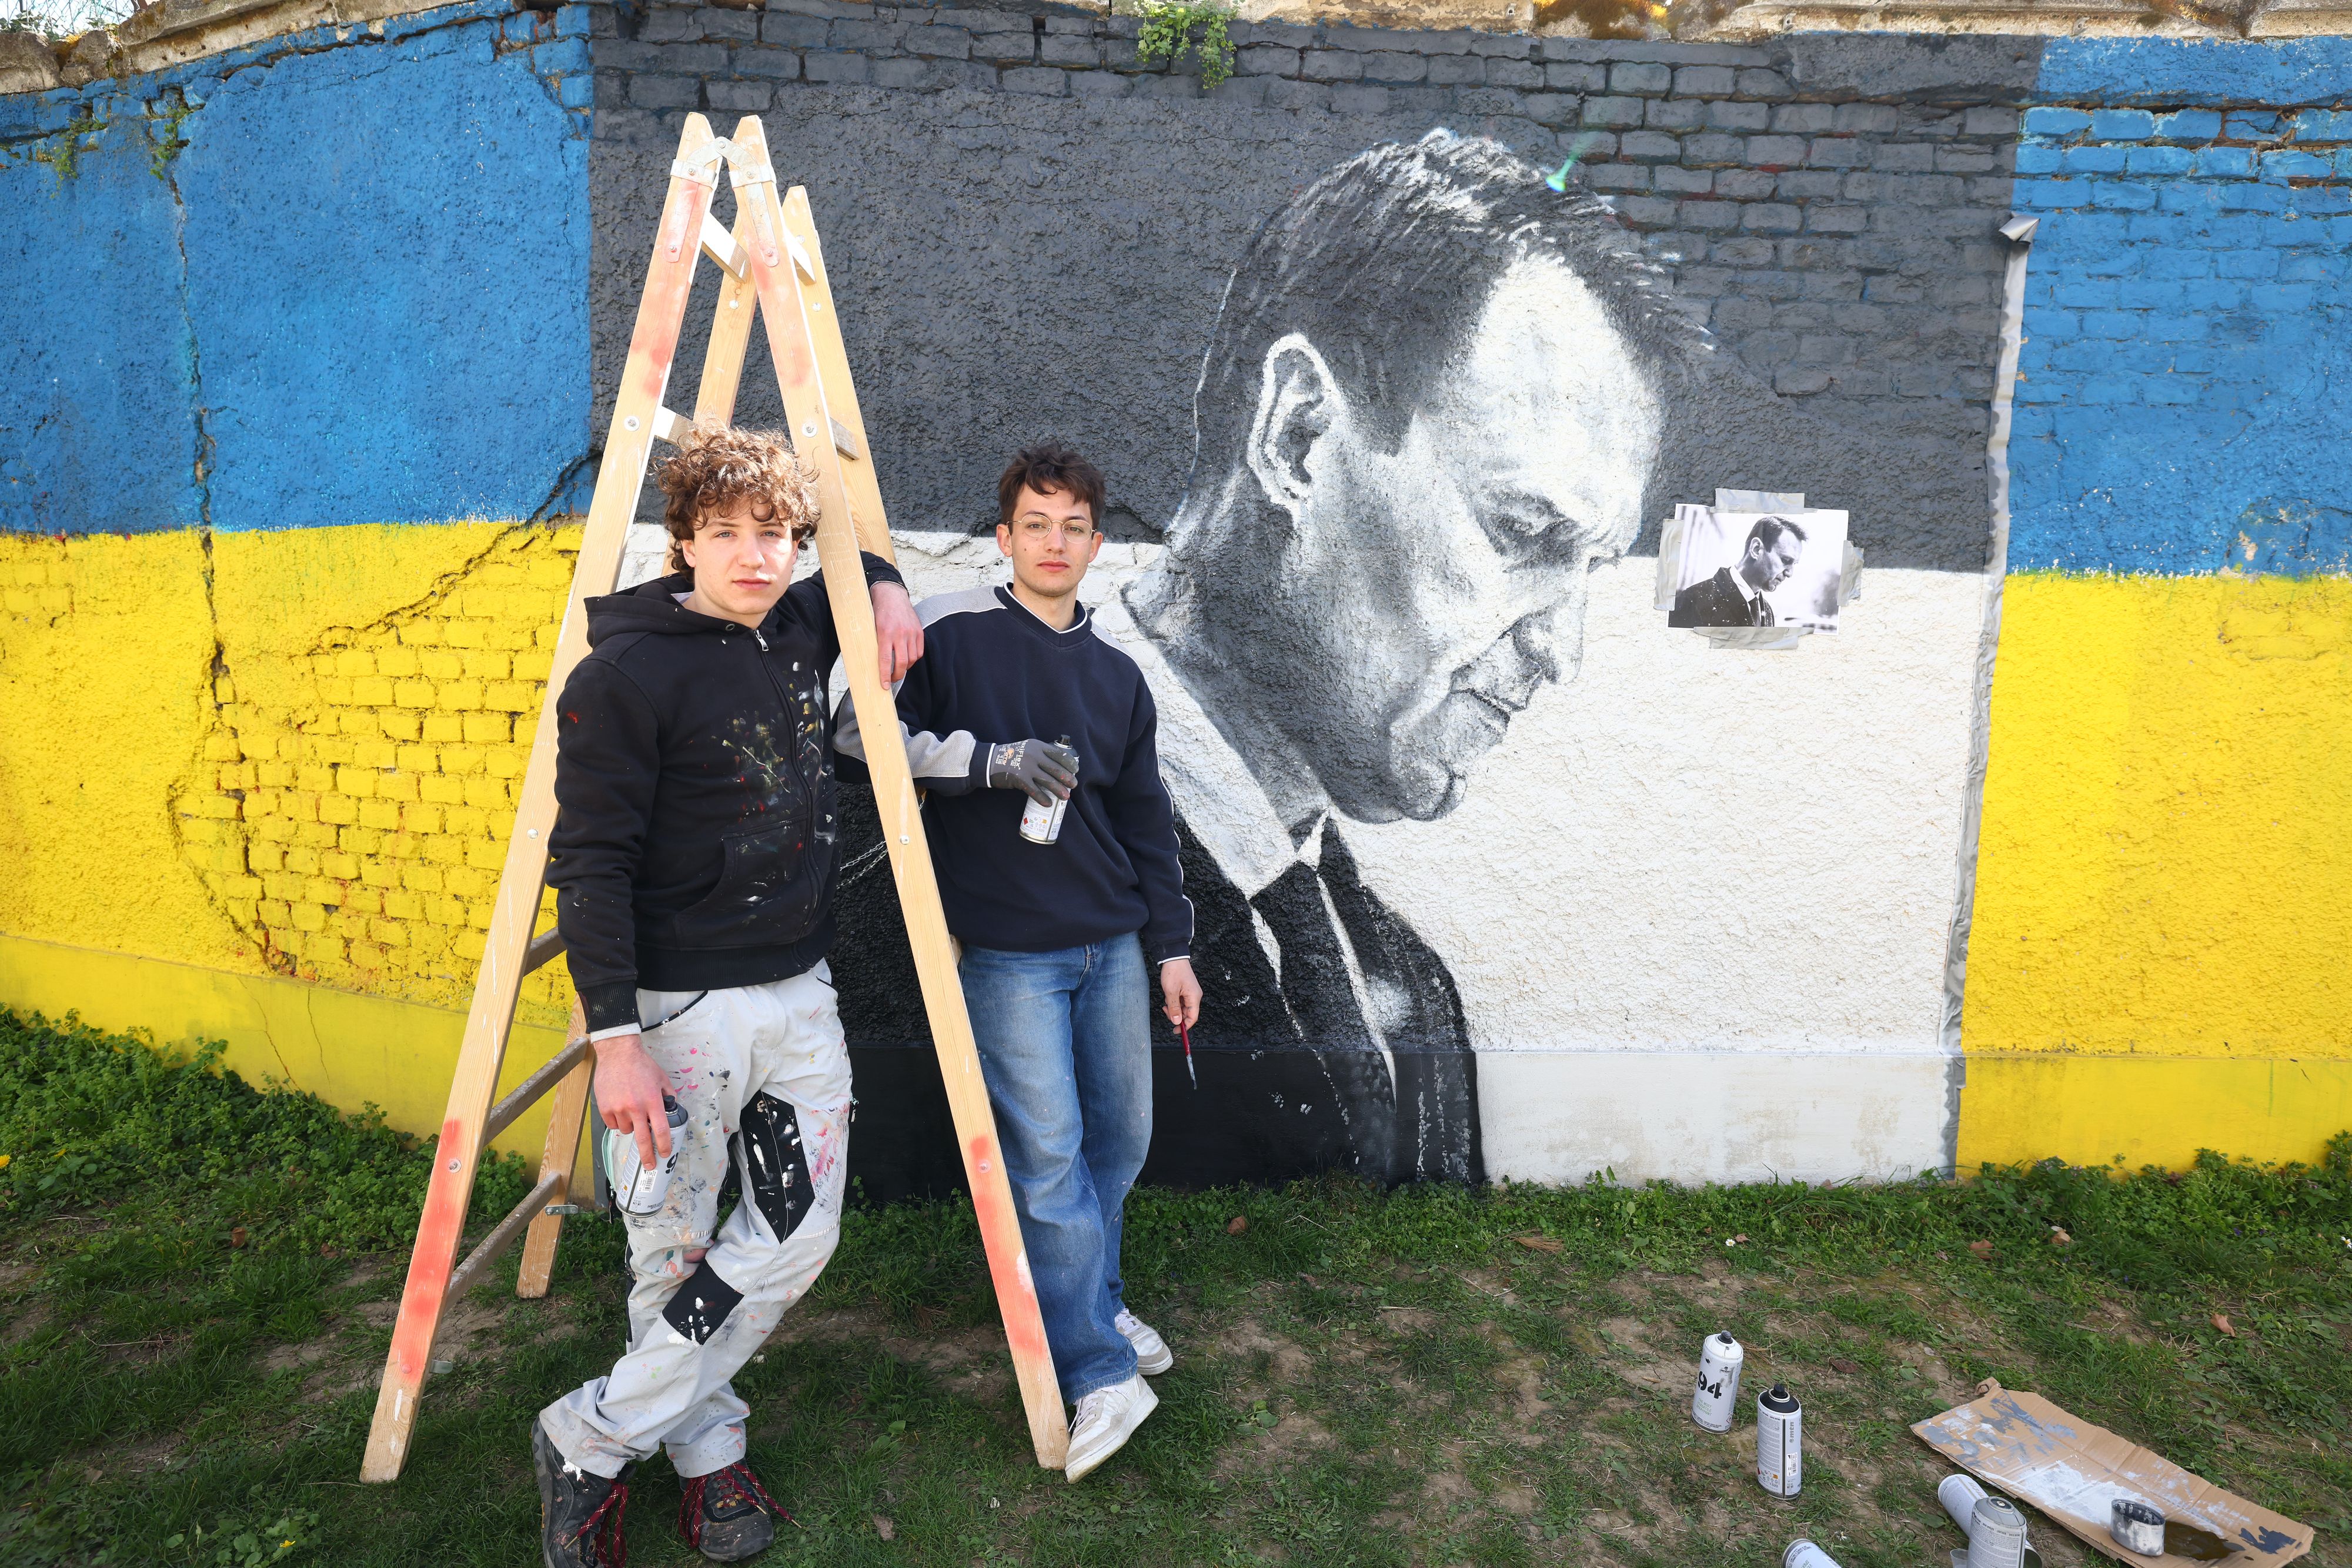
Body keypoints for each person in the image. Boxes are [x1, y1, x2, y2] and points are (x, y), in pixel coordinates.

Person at [1114, 129, 1694, 1188]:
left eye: (1592, 570)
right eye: (1524, 533)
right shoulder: (976, 882)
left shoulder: (1407, 987)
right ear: (1297, 434)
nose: (1559, 650)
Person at [532, 426, 924, 1568]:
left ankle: (593, 1432)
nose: (756, 556)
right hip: (676, 1013)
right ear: (685, 542)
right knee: (674, 1247)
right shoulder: (623, 677)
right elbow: (590, 863)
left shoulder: (794, 623)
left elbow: (849, 559)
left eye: (775, 535)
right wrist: (614, 1040)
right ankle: (708, 1456)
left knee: (797, 1235)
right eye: (727, 533)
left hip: (799, 994)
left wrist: (887, 585)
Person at [836, 442, 1202, 1483]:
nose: (1054, 542)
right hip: (1007, 956)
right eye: (1035, 524)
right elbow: (855, 731)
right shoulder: (949, 628)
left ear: (1098, 544)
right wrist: (987, 762)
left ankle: (1098, 1302)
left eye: (1073, 527)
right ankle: (1096, 1371)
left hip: (1112, 946)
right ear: (1004, 538)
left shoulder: (1119, 676)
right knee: (1047, 1157)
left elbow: (1147, 822)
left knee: (1118, 1144)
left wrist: (1172, 946)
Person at [1669, 515, 1808, 628]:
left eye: (1794, 564)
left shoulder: (1767, 611)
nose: (1790, 573)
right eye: (1785, 560)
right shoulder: (1693, 601)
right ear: (1756, 549)